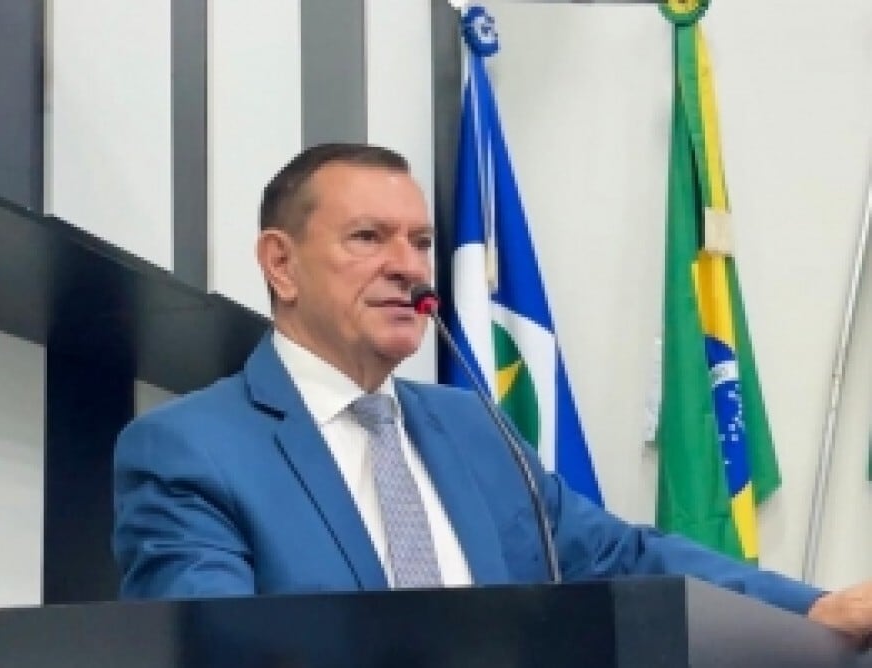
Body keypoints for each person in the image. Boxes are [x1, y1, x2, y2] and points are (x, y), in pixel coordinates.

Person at [113, 142, 872, 645]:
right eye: (369, 238)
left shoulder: (472, 426)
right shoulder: (191, 450)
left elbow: (621, 555)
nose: (410, 267)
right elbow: (212, 653)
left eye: (420, 242)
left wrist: (810, 607)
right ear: (281, 264)